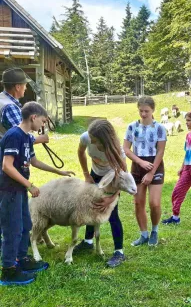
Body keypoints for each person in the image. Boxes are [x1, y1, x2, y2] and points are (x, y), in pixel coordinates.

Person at [0, 102, 74, 286]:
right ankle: (8, 270)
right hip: (9, 189)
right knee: (12, 229)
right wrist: (30, 185)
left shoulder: (27, 137)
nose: (43, 126)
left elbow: (34, 161)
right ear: (34, 117)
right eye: (42, 121)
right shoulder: (14, 135)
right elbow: (6, 166)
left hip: (19, 189)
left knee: (26, 225)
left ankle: (22, 259)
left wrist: (59, 172)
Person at [0, 67, 49, 249]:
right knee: (11, 211)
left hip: (5, 155)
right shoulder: (10, 106)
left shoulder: (2, 100)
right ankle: (12, 256)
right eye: (24, 85)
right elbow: (21, 133)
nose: (25, 89)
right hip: (8, 159)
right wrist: (40, 138)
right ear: (17, 86)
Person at [73, 119, 129, 267]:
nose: (93, 143)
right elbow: (80, 152)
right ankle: (88, 242)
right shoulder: (86, 137)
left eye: (96, 141)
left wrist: (111, 199)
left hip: (113, 178)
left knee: (112, 214)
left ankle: (119, 252)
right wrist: (86, 174)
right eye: (91, 139)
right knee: (92, 207)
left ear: (105, 141)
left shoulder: (118, 151)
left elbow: (124, 178)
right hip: (95, 174)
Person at [124, 96, 167, 247]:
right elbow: (125, 149)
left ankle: (154, 230)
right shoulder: (132, 127)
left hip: (155, 164)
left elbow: (160, 151)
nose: (143, 114)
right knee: (138, 202)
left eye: (146, 111)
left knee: (154, 203)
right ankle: (143, 234)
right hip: (137, 166)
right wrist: (140, 162)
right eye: (141, 111)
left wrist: (151, 172)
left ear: (153, 110)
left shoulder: (160, 128)